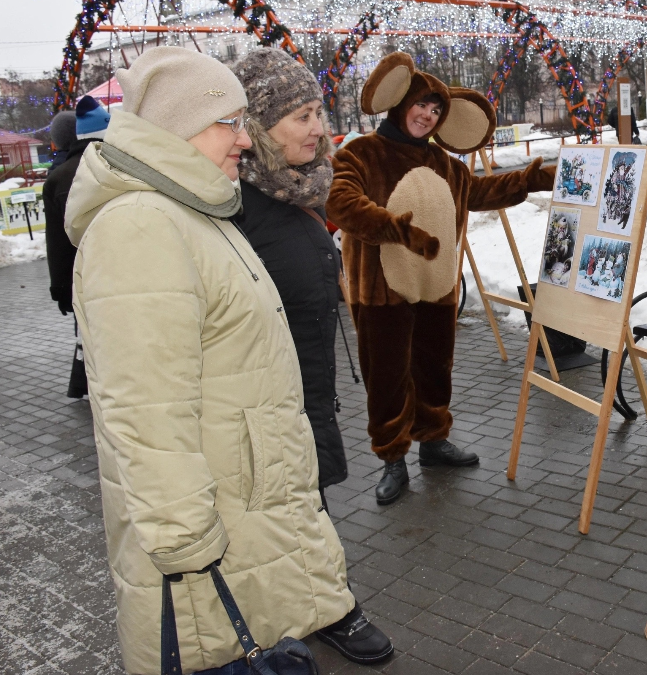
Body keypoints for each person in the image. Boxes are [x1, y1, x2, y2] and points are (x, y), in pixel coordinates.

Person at [64, 47, 389, 675]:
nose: (246, 140)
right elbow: (146, 415)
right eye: (231, 123)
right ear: (182, 126)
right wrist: (186, 541)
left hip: (241, 491)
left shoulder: (192, 209)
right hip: (204, 530)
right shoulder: (140, 226)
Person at [327, 52, 555, 505]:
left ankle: (432, 442)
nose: (428, 116)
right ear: (400, 102)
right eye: (422, 106)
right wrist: (394, 228)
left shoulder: (447, 164)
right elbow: (340, 201)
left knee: (435, 369)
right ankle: (393, 458)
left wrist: (536, 179)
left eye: (436, 111)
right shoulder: (362, 153)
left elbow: (481, 192)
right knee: (387, 376)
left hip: (437, 286)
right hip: (381, 291)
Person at [231, 48, 350, 509]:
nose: (319, 129)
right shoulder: (235, 204)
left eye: (318, 113)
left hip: (309, 401)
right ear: (259, 125)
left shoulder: (301, 188)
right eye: (302, 116)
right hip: (268, 429)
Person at [44, 97, 110, 398]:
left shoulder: (58, 178)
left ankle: (89, 385)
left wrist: (60, 287)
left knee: (87, 333)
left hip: (80, 275)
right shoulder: (115, 165)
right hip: (115, 271)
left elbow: (57, 242)